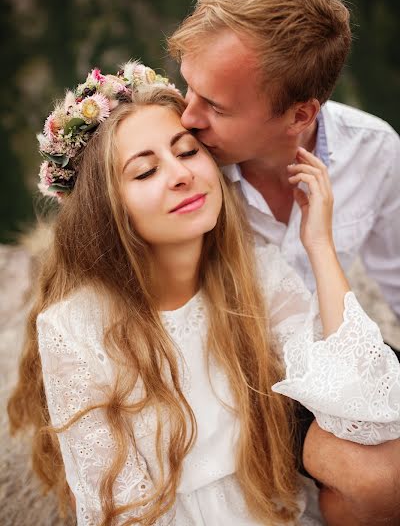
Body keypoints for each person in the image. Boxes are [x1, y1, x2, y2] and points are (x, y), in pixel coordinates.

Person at [7, 62, 400, 526]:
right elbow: (114, 509)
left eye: (188, 152)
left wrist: (320, 246)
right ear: (107, 210)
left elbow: (367, 415)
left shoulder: (257, 272)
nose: (180, 175)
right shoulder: (75, 327)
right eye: (146, 171)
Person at [168, 0, 400, 525]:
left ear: (301, 114)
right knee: (377, 480)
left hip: (332, 353)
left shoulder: (376, 152)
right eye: (187, 88)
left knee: (373, 488)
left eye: (216, 107)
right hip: (239, 376)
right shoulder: (182, 166)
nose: (188, 118)